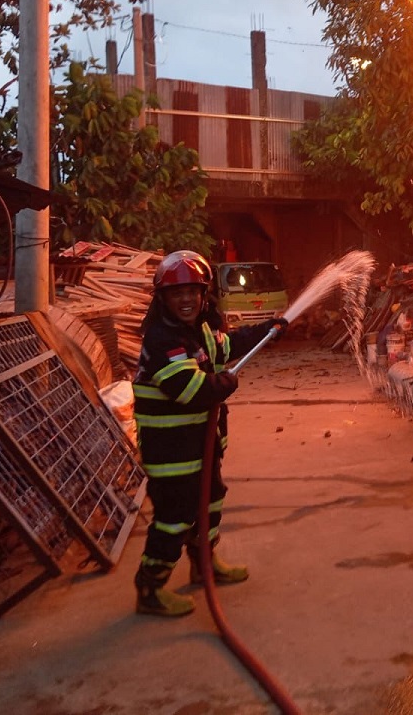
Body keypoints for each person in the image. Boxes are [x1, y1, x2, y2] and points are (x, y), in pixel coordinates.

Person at [131, 250, 287, 617]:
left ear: (204, 295)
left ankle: (203, 565)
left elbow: (227, 345)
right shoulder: (162, 338)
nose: (185, 300)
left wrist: (267, 330)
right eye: (177, 293)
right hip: (171, 453)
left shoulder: (200, 330)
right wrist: (222, 384)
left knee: (211, 501)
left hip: (201, 446)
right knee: (175, 517)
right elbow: (189, 388)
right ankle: (150, 588)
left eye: (192, 292)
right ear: (163, 299)